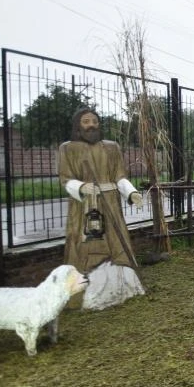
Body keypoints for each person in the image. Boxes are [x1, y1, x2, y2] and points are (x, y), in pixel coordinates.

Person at [58, 107, 146, 309]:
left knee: (116, 242)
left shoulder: (111, 147)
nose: (91, 125)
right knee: (86, 244)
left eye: (95, 121)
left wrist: (131, 192)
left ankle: (125, 287)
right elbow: (65, 179)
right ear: (78, 125)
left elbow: (119, 176)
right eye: (86, 121)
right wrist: (81, 187)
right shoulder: (68, 148)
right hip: (84, 207)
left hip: (111, 204)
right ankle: (85, 295)